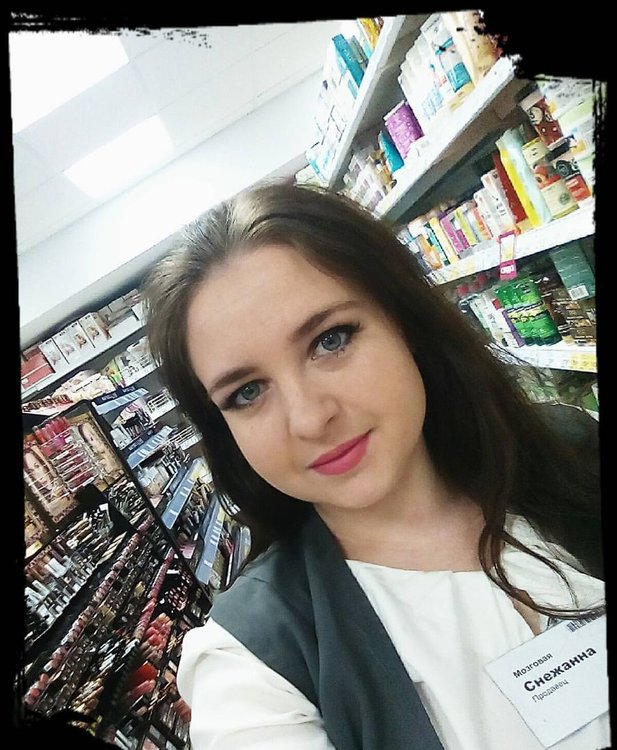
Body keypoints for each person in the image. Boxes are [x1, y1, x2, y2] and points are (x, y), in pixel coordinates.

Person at [142, 181, 606, 749]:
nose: (310, 418)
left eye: (330, 340)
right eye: (247, 392)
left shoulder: (571, 450)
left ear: (404, 319)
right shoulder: (256, 665)